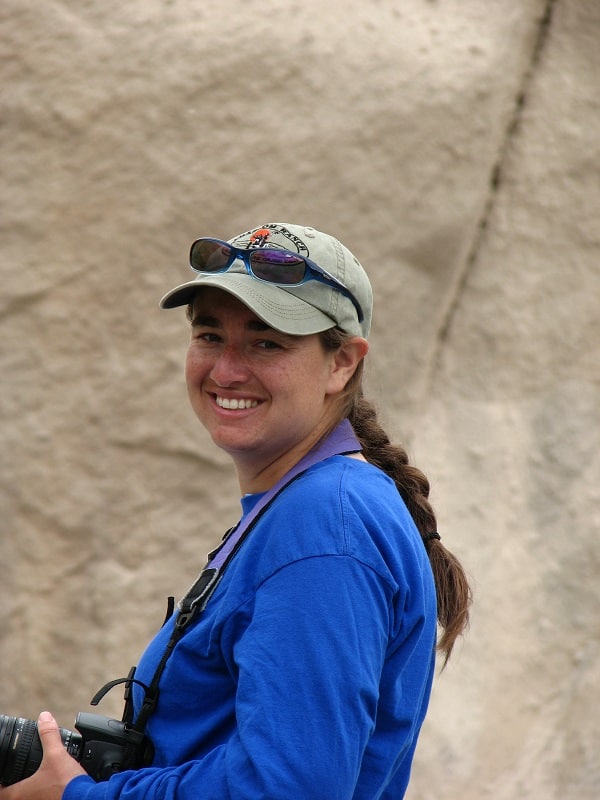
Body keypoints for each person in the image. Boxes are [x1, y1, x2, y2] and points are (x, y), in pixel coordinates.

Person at [2, 222, 471, 800]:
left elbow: (290, 790)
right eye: (209, 335)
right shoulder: (309, 505)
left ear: (342, 363)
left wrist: (80, 795)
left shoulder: (326, 523)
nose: (226, 370)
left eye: (266, 342)